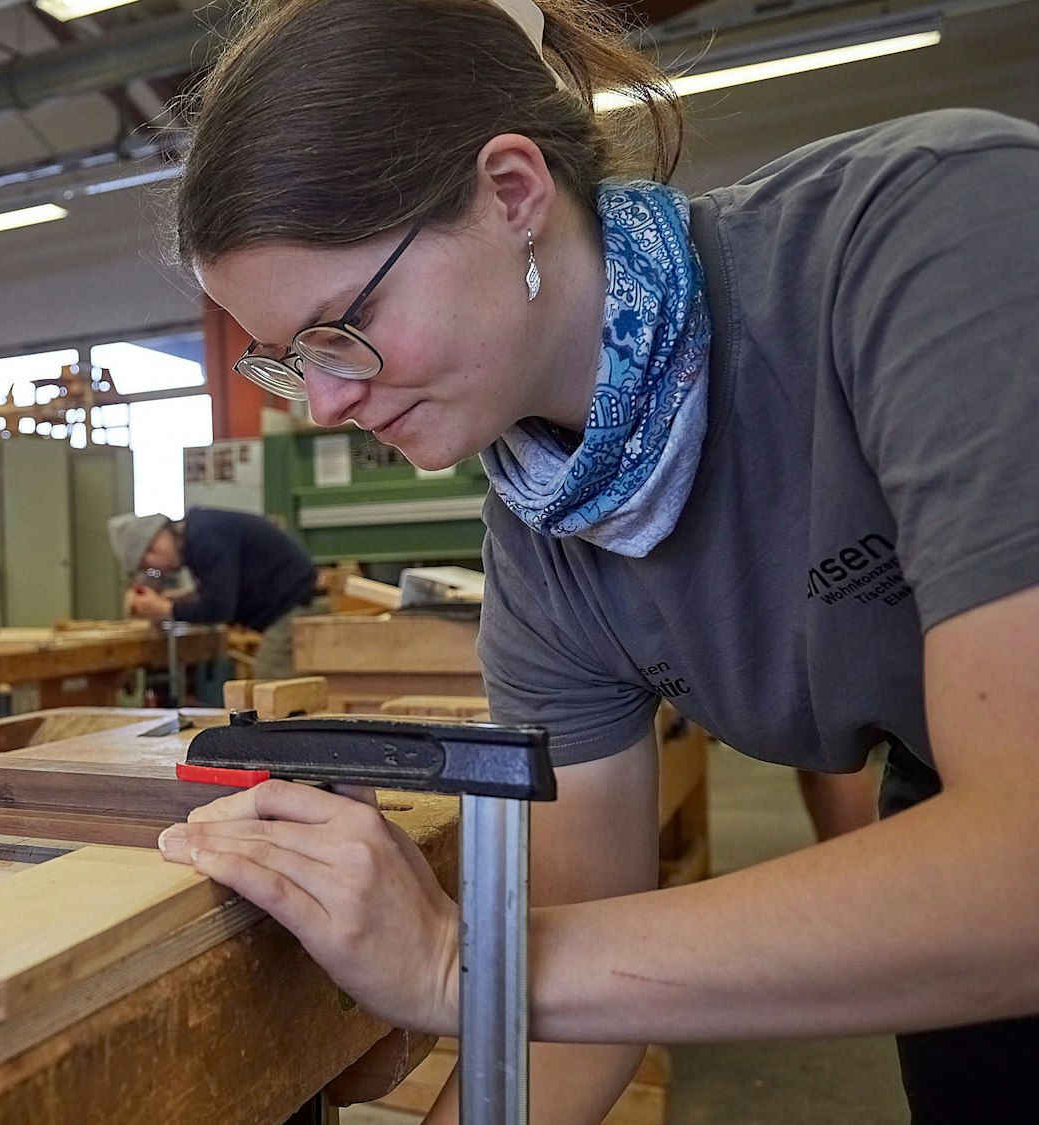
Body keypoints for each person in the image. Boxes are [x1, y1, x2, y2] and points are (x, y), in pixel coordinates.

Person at [150, 0, 1039, 1121]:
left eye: (341, 327)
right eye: (287, 361)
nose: (323, 401)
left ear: (511, 192)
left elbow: (1021, 869)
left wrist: (456, 967)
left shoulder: (928, 232)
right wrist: (496, 983)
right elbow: (585, 989)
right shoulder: (545, 539)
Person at [107, 508, 318, 680]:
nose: (155, 568)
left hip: (297, 610)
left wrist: (164, 609)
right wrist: (179, 599)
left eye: (147, 561)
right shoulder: (199, 532)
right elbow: (220, 588)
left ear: (155, 541)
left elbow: (220, 607)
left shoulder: (204, 537)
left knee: (269, 689)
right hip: (292, 609)